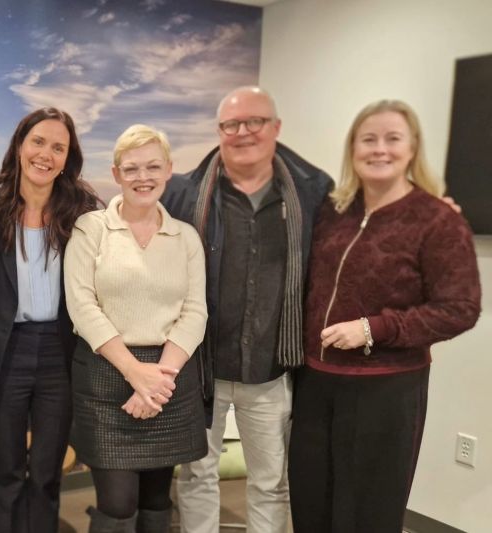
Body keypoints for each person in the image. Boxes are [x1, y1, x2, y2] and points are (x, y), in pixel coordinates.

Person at [288, 99, 481, 532]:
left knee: (367, 514)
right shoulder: (333, 210)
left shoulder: (436, 220)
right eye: (368, 139)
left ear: (412, 148)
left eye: (393, 139)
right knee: (311, 504)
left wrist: (373, 329)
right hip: (317, 383)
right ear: (352, 148)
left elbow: (460, 309)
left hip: (386, 390)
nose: (380, 149)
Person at [161, 86, 333, 533]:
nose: (243, 133)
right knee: (197, 474)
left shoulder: (313, 194)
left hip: (272, 368)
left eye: (254, 122)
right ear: (219, 132)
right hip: (200, 367)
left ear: (275, 128)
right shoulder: (184, 193)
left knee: (271, 483)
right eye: (231, 125)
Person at [64, 124, 208, 532]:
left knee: (158, 499)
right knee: (118, 503)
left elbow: (195, 312)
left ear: (168, 171)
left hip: (168, 377)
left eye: (152, 167)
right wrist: (135, 373)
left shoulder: (186, 238)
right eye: (131, 169)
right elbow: (82, 306)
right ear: (115, 174)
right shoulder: (90, 229)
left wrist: (158, 378)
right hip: (107, 374)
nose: (142, 177)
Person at [0, 107, 100, 533]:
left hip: (60, 354)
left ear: (68, 158)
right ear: (20, 146)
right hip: (5, 352)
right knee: (7, 473)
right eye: (38, 142)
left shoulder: (83, 212)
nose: (46, 153)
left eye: (58, 147)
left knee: (47, 473)